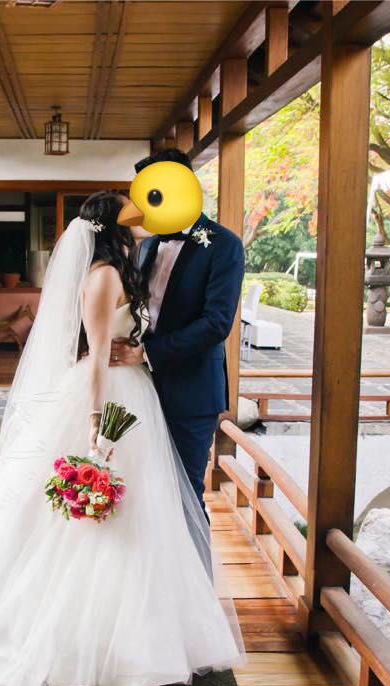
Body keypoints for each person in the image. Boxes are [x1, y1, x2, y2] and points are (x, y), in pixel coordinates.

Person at [0, 190, 244, 686]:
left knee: (154, 509)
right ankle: (97, 634)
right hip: (112, 395)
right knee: (111, 516)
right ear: (113, 227)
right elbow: (100, 351)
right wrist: (94, 420)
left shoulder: (155, 257)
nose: (144, 215)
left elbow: (208, 322)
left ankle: (165, 622)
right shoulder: (106, 275)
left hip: (147, 395)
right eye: (133, 211)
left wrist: (143, 357)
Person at [112, 148, 246, 519]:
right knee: (142, 491)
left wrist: (148, 353)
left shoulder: (224, 245)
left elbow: (216, 323)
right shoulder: (149, 244)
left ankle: (196, 560)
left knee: (186, 494)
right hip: (139, 389)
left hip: (191, 392)